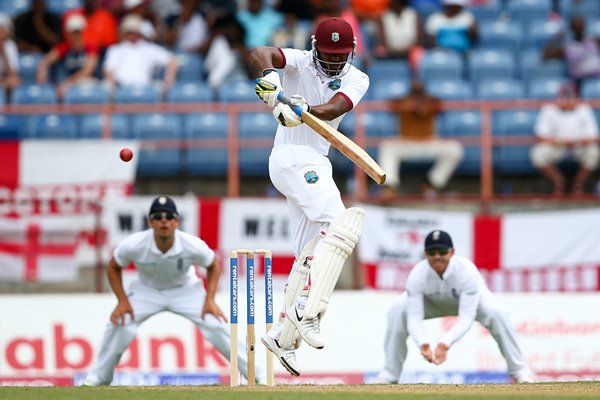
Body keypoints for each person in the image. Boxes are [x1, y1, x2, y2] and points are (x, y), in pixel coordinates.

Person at [249, 17, 369, 377]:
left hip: (316, 162)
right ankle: (307, 309)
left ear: (352, 51)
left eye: (341, 55)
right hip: (290, 157)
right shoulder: (300, 60)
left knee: (312, 247)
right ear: (316, 46)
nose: (334, 62)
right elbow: (260, 52)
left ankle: (282, 337)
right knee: (339, 224)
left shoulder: (358, 77)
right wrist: (270, 78)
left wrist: (299, 111)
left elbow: (334, 109)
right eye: (328, 54)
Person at [84, 196, 264, 386]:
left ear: (177, 221)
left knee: (215, 323)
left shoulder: (191, 244)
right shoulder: (134, 244)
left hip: (185, 291)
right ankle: (98, 378)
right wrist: (122, 301)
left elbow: (214, 265)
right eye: (158, 216)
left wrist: (210, 300)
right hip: (147, 291)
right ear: (150, 222)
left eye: (169, 216)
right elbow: (113, 267)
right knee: (120, 322)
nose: (164, 220)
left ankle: (257, 373)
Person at [375, 229, 535, 384]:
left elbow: (466, 318)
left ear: (452, 252)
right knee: (397, 309)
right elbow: (414, 318)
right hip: (431, 303)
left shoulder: (466, 272)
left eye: (442, 251)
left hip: (472, 303)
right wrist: (423, 342)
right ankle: (390, 374)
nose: (437, 256)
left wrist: (445, 342)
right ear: (425, 254)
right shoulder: (417, 275)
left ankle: (521, 372)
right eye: (432, 252)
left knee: (497, 313)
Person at [378, 79, 464, 197]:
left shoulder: (432, 100)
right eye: (415, 92)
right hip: (406, 143)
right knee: (387, 146)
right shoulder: (403, 100)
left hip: (429, 142)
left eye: (420, 92)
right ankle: (389, 187)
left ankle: (432, 184)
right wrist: (411, 105)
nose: (417, 94)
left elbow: (439, 106)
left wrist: (424, 105)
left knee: (454, 149)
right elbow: (391, 106)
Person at [530, 82, 600, 196]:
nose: (567, 100)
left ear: (577, 98)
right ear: (557, 98)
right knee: (538, 154)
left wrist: (576, 142)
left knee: (594, 152)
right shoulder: (549, 109)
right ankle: (559, 182)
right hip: (557, 145)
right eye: (564, 97)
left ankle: (578, 183)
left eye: (571, 97)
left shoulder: (584, 109)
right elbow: (540, 135)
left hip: (579, 145)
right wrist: (561, 142)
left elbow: (593, 136)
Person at [103, 14, 178, 90]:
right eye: (129, 31)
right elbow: (108, 69)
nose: (132, 34)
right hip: (121, 89)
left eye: (134, 31)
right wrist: (114, 85)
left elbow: (172, 61)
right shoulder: (115, 49)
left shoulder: (150, 48)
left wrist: (168, 81)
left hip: (146, 90)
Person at [37, 14, 99, 100]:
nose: (76, 35)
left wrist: (68, 83)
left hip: (81, 81)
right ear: (69, 33)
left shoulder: (90, 47)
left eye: (78, 31)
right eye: (73, 32)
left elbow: (88, 70)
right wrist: (42, 69)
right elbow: (46, 60)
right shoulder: (64, 47)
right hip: (66, 83)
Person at [542, 15, 600, 92]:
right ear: (571, 28)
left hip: (596, 79)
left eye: (581, 25)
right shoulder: (567, 46)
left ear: (584, 26)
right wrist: (557, 37)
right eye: (576, 25)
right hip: (577, 83)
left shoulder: (594, 41)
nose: (579, 27)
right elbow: (545, 56)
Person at [0, 13, 21, 99]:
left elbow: (13, 73)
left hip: (4, 79)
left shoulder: (10, 46)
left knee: (14, 82)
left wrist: (3, 52)